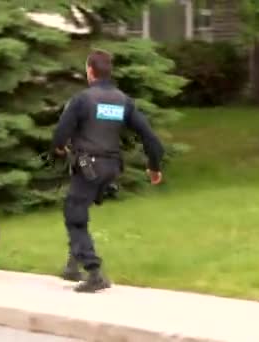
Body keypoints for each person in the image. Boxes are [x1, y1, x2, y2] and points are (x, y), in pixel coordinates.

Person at [51, 49, 164, 293]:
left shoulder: (82, 99)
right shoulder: (124, 101)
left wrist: (59, 148)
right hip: (111, 169)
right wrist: (154, 167)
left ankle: (93, 272)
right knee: (80, 207)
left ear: (90, 71)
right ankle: (72, 266)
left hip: (88, 166)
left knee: (75, 214)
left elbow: (60, 133)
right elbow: (150, 138)